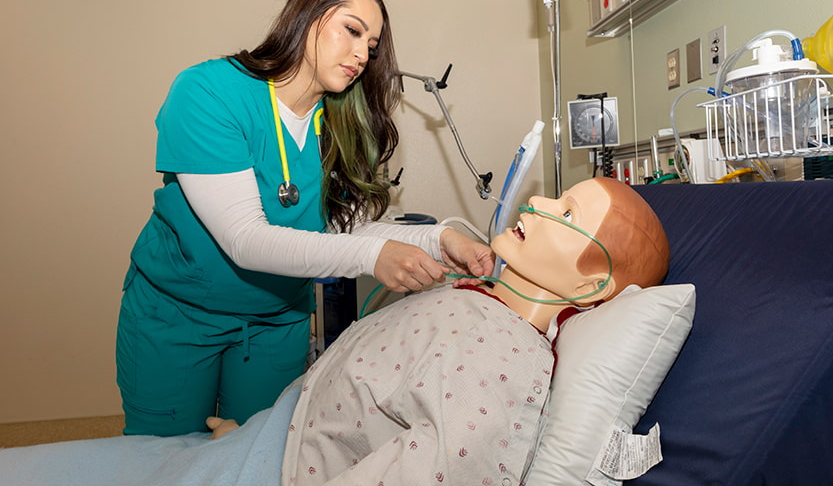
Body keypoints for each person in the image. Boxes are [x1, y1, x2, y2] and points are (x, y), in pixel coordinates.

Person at [1, 177, 668, 486]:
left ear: (591, 284)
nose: (537, 202)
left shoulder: (507, 363)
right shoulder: (477, 303)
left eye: (565, 212)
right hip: (269, 439)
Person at [116, 0, 493, 437]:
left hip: (277, 320)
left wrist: (439, 240)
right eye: (352, 30)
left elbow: (344, 229)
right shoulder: (209, 93)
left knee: (264, 448)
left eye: (372, 46)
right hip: (179, 316)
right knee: (162, 458)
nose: (362, 54)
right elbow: (245, 239)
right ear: (306, 16)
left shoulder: (342, 119)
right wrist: (374, 257)